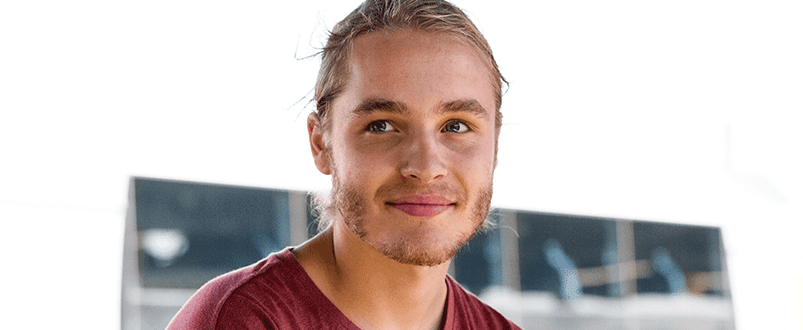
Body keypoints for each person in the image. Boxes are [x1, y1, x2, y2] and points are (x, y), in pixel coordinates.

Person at [167, 0, 519, 329]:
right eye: (381, 126)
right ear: (321, 143)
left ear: (496, 144)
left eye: (456, 126)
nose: (426, 168)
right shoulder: (239, 319)